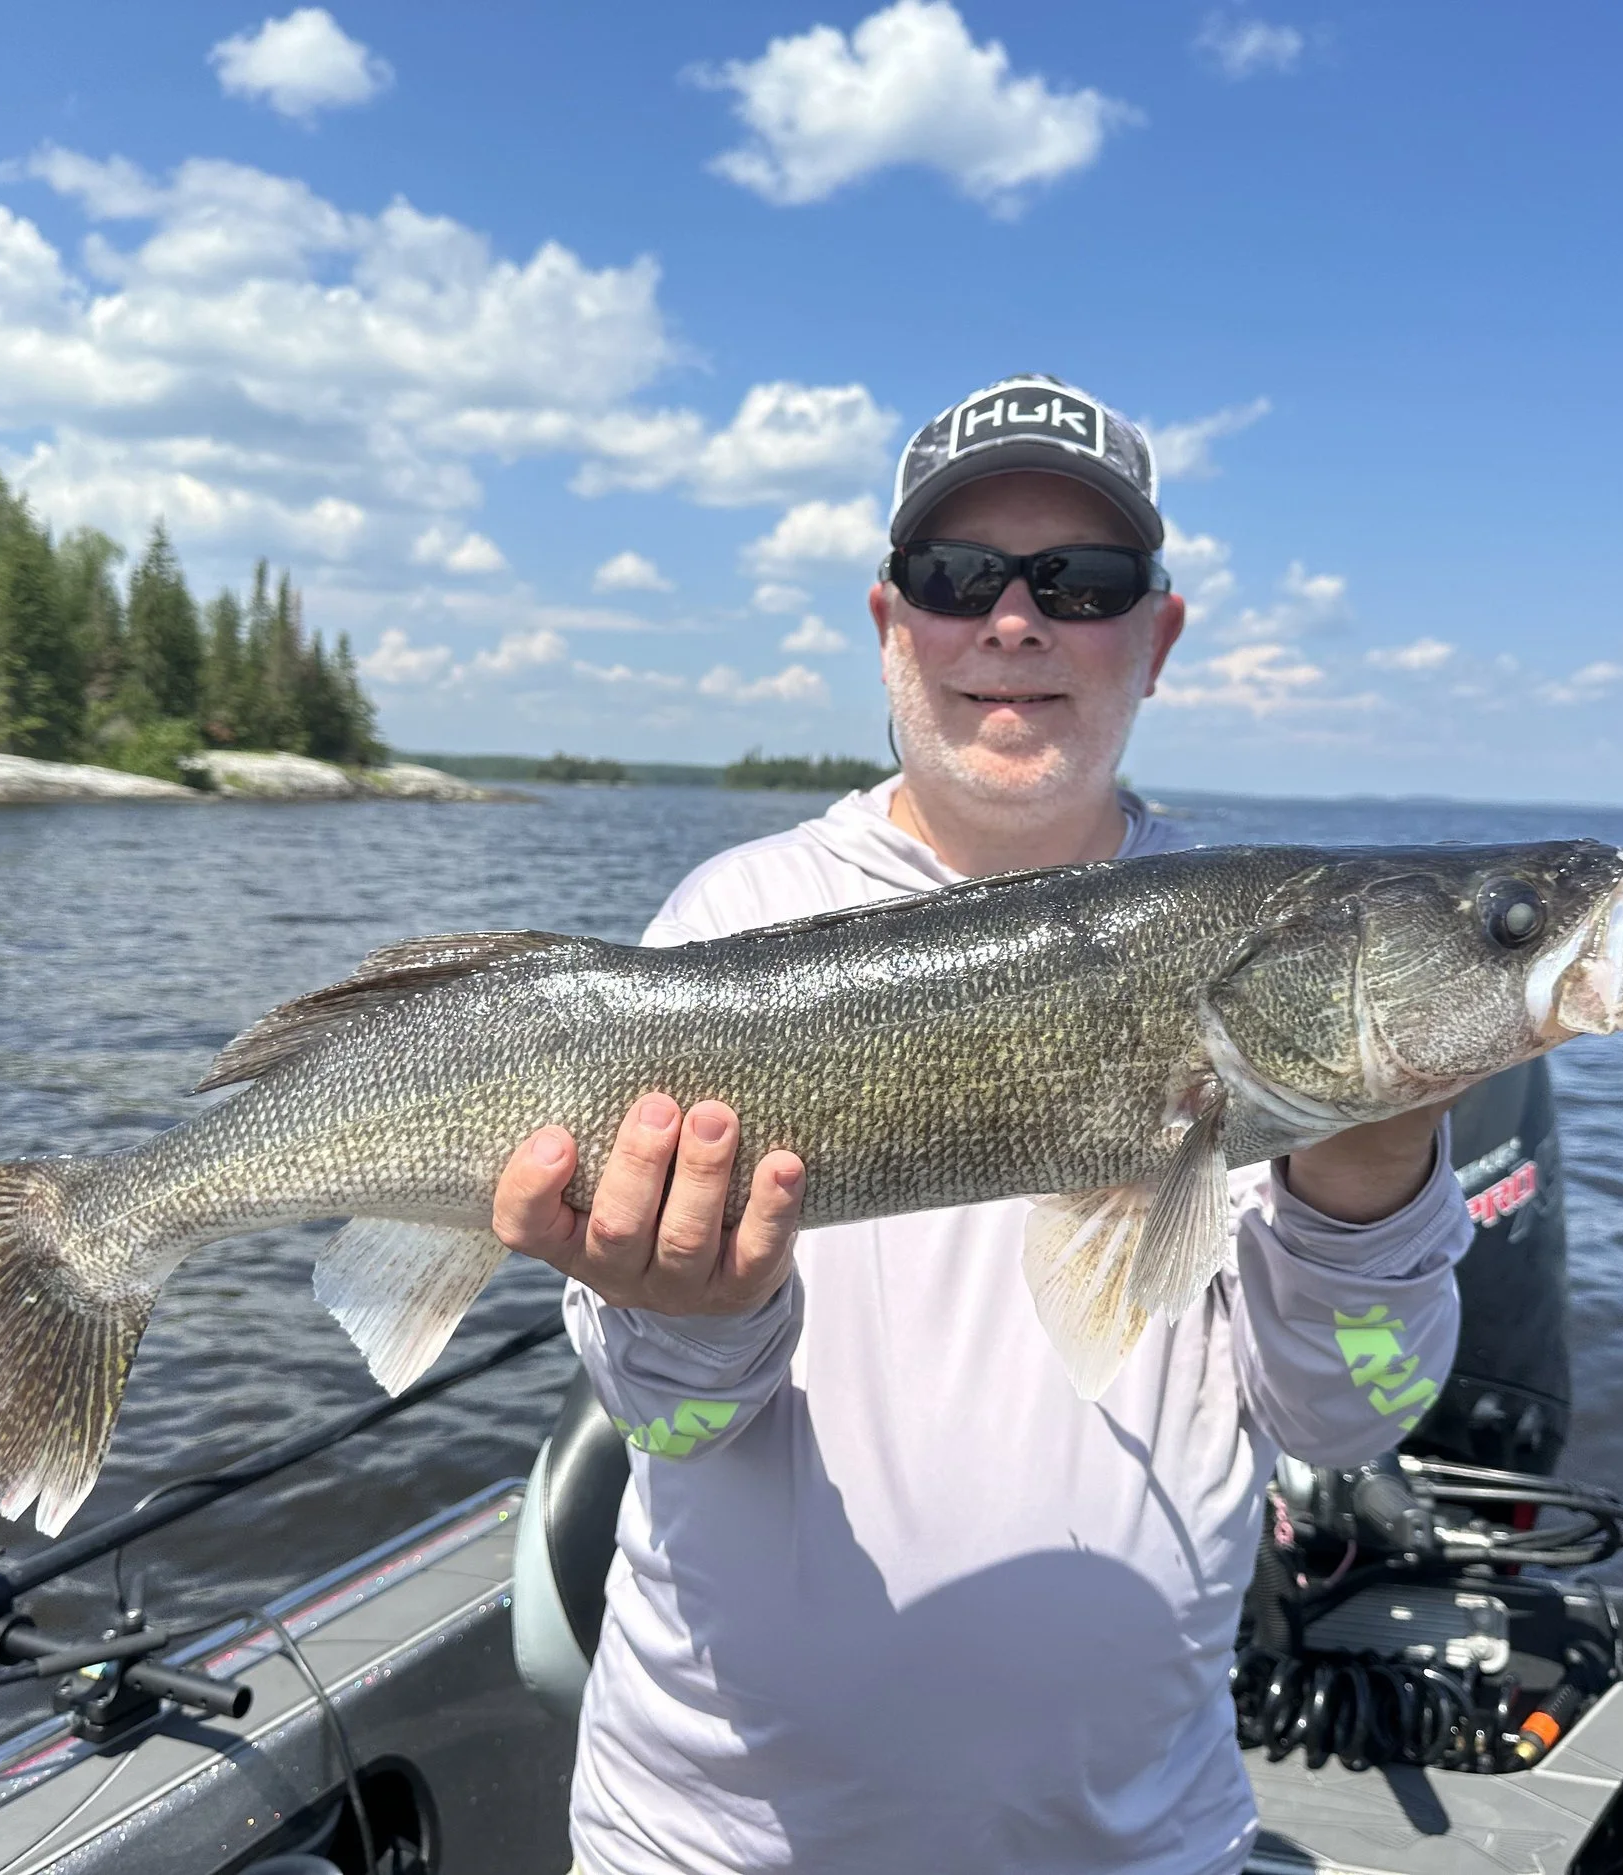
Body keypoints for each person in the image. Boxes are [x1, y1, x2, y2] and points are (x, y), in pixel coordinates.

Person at [491, 375, 1471, 1875]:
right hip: (713, 1839)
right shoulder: (727, 921)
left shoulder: (1279, 953)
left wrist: (1374, 1175)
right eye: (961, 580)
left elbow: (1353, 1416)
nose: (1015, 622)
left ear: (1158, 634)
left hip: (1132, 1841)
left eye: (1082, 583)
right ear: (894, 627)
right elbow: (672, 1424)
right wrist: (692, 1318)